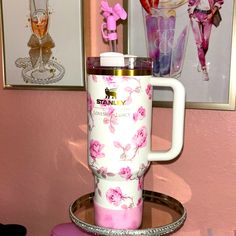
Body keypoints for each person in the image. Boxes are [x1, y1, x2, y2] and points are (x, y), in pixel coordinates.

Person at [188, 0, 224, 81]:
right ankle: (204, 69)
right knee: (199, 44)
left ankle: (201, 58)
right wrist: (191, 13)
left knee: (205, 42)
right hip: (195, 15)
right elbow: (191, 2)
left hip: (207, 15)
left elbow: (219, 1)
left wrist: (212, 13)